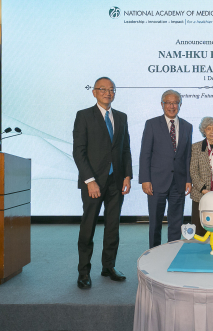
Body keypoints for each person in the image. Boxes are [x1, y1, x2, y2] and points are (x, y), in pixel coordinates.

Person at [73, 76, 132, 289]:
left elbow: (125, 148)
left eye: (111, 89)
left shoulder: (122, 117)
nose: (108, 93)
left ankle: (108, 267)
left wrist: (127, 175)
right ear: (94, 92)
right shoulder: (84, 116)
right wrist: (90, 180)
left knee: (112, 226)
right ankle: (83, 272)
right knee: (88, 227)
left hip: (116, 182)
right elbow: (78, 151)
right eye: (103, 89)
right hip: (93, 183)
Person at [139, 90, 193, 248]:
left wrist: (188, 179)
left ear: (180, 105)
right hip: (156, 182)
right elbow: (145, 153)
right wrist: (145, 179)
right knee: (155, 222)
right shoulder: (152, 124)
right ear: (162, 105)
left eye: (175, 102)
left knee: (176, 223)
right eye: (168, 102)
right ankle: (153, 254)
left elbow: (188, 155)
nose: (172, 106)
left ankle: (172, 252)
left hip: (179, 182)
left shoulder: (187, 126)